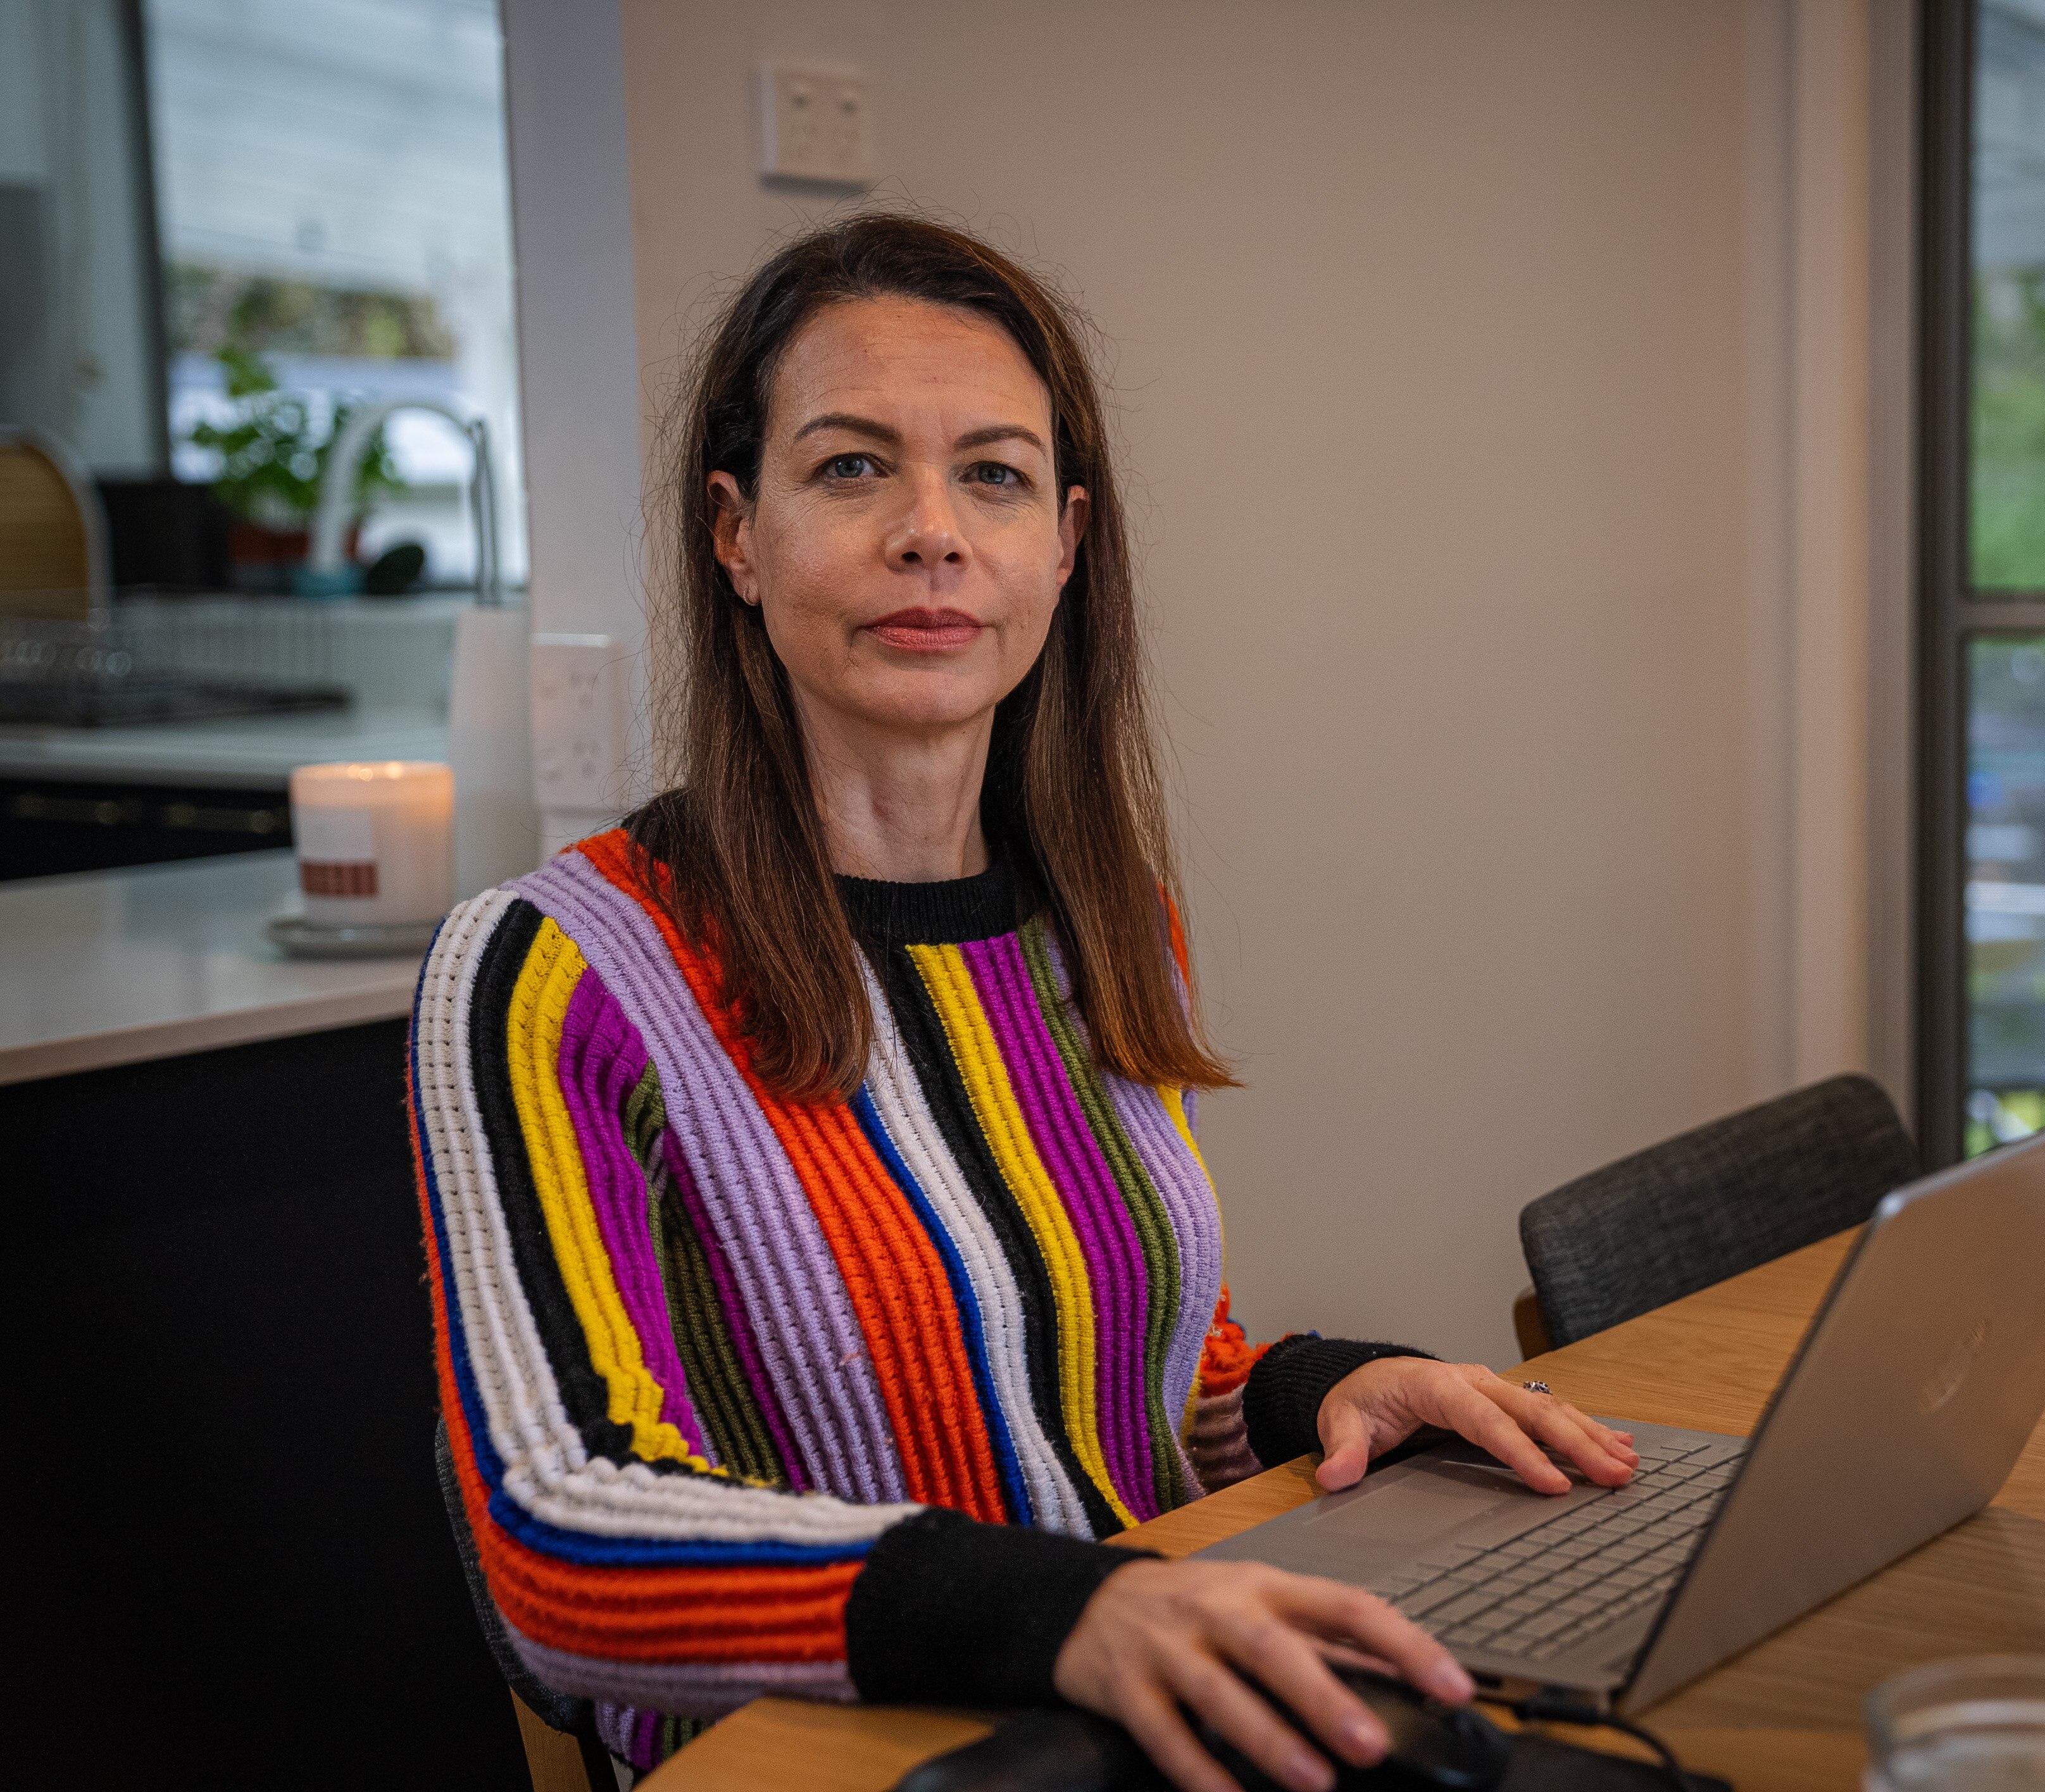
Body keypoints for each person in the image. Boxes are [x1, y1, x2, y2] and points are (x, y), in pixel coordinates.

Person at [413, 213, 1635, 1791]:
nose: (933, 532)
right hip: (831, 1756)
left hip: (1144, 1701)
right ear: (736, 533)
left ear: (1063, 541)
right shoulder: (546, 968)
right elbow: (557, 1537)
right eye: (851, 468)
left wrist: (1316, 1388)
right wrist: (1074, 1611)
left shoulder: (1101, 922)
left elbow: (1125, 1375)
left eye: (989, 474)